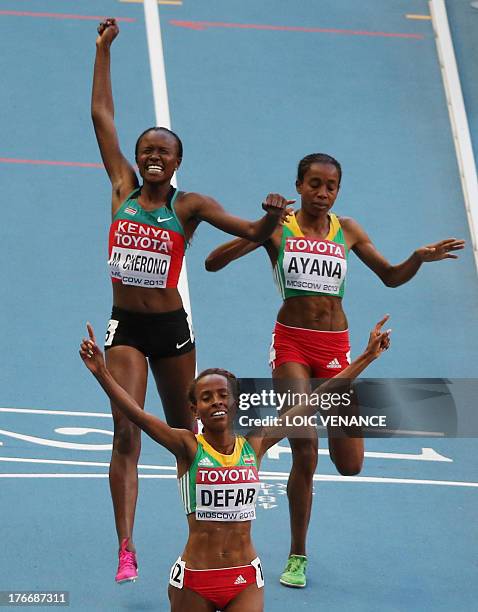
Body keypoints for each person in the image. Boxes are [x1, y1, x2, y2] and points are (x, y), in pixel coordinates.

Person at [205, 152, 465, 587]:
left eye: (330, 186)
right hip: (291, 343)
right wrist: (264, 223)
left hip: (335, 349)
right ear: (299, 185)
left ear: (337, 191)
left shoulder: (348, 230)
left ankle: (301, 500)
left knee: (349, 464)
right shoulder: (280, 227)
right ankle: (297, 555)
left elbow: (391, 277)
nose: (322, 193)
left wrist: (418, 258)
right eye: (314, 184)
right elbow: (214, 262)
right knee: (304, 447)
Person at [92, 18, 292, 583]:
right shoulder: (121, 188)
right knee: (126, 431)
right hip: (126, 327)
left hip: (173, 332)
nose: (154, 157)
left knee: (194, 442)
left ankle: (205, 536)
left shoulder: (190, 206)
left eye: (164, 152)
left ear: (177, 163)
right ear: (136, 157)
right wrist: (102, 52)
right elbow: (101, 118)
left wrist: (271, 218)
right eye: (146, 150)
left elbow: (252, 232)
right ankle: (126, 546)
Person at [80, 316, 391, 611]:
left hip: (244, 580)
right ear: (194, 409)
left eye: (222, 395)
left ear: (235, 403)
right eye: (206, 397)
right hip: (194, 581)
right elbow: (138, 415)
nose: (216, 401)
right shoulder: (187, 447)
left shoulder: (254, 444)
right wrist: (101, 372)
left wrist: (367, 357)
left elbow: (317, 397)